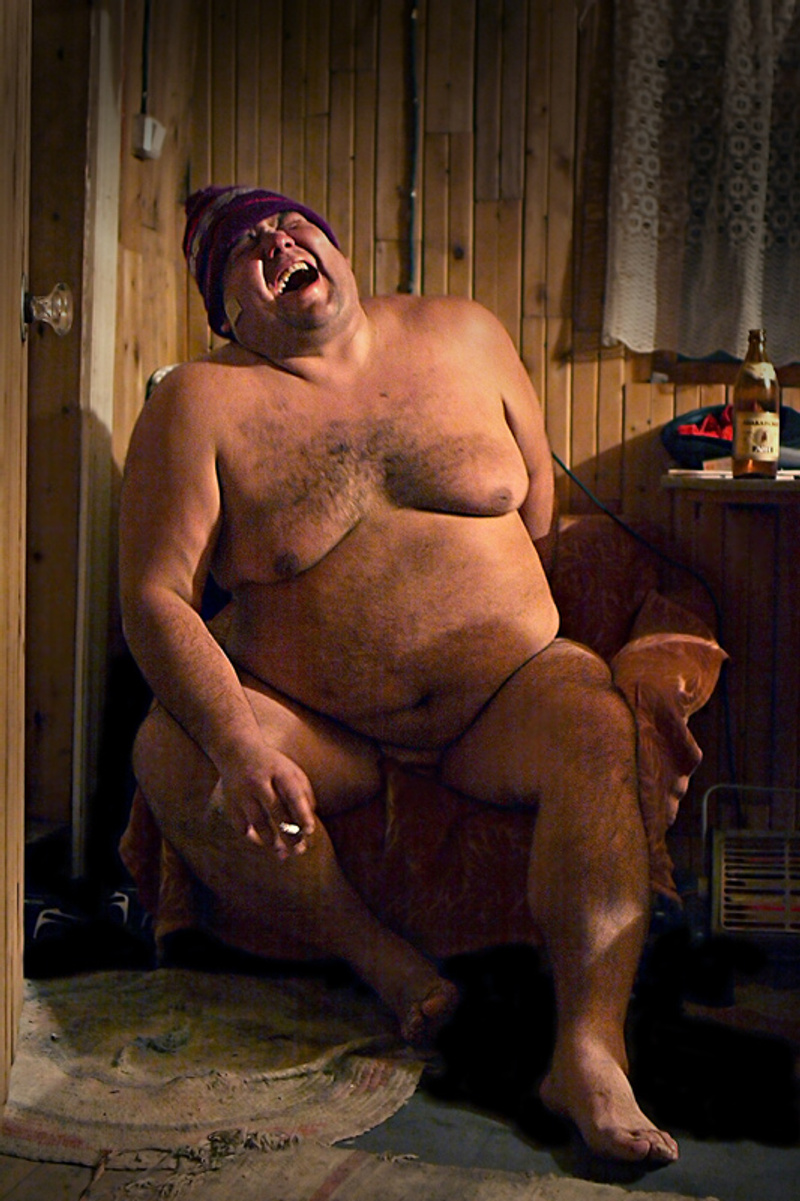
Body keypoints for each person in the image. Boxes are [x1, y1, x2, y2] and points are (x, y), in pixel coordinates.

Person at [119, 185, 679, 1165]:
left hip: (504, 695)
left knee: (596, 723)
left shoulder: (464, 333)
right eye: (247, 247)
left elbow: (537, 506)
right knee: (168, 748)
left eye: (291, 225)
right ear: (227, 313)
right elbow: (155, 595)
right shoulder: (196, 404)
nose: (279, 242)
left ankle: (590, 1049)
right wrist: (239, 740)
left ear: (334, 249)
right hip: (323, 724)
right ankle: (385, 963)